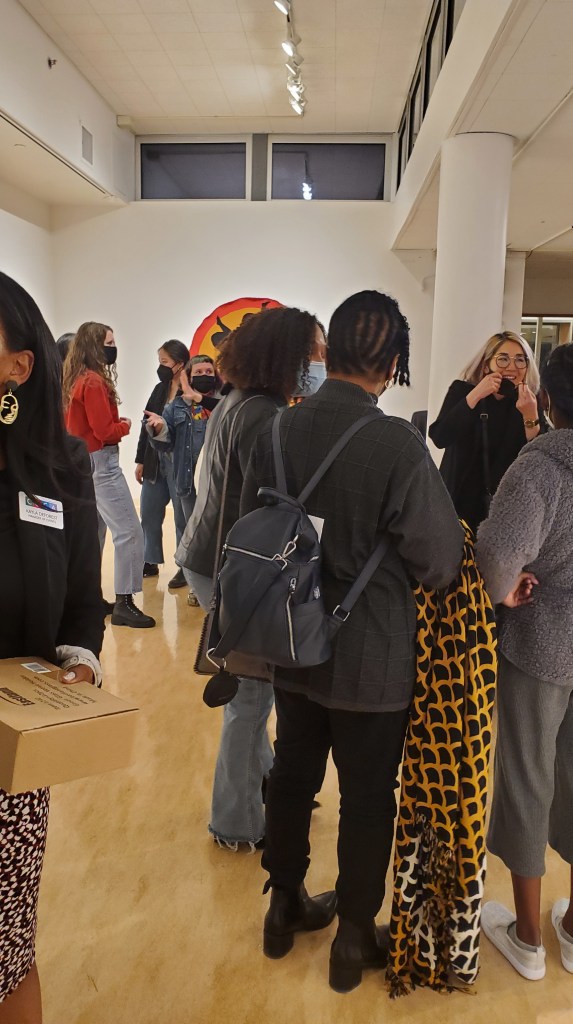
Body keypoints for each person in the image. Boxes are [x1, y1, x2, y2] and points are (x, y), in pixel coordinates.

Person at [240, 290, 464, 992]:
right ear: (392, 365)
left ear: (327, 352)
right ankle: (353, 941)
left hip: (288, 638)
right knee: (367, 797)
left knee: (292, 773)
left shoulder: (275, 429)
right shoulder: (397, 444)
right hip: (372, 657)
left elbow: (250, 531)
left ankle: (282, 906)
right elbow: (439, 562)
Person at [177, 307, 326, 850]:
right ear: (288, 356)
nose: (321, 362)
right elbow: (258, 515)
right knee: (250, 700)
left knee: (252, 693)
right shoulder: (266, 416)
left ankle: (263, 782)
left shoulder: (239, 401)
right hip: (230, 566)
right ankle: (235, 823)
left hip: (205, 555)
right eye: (315, 352)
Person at [0, 272, 105, 1023]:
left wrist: (80, 662)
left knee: (6, 953)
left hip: (11, 755)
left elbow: (80, 602)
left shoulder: (59, 468)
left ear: (18, 365)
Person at [476, 343, 573, 983]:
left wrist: (506, 589)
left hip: (543, 641)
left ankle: (530, 937)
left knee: (528, 775)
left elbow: (495, 557)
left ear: (552, 399)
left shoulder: (540, 467)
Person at [63, 322, 155, 628]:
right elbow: (105, 431)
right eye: (109, 343)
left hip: (83, 462)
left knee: (95, 533)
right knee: (130, 531)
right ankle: (124, 603)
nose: (113, 348)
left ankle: (88, 597)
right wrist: (126, 425)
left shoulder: (75, 378)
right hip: (102, 463)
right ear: (93, 345)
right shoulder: (93, 382)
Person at [428, 331, 543, 532]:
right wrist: (475, 395)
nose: (512, 367)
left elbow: (539, 459)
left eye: (520, 360)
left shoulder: (529, 401)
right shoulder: (462, 391)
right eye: (503, 359)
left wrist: (530, 416)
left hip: (505, 507)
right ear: (486, 364)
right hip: (457, 502)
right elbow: (440, 437)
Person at [145, 353, 221, 606]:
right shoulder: (176, 407)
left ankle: (220, 586)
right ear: (188, 376)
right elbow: (165, 443)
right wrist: (158, 428)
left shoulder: (224, 403)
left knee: (218, 535)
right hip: (187, 485)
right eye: (198, 372)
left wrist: (199, 399)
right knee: (192, 533)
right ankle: (197, 586)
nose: (204, 376)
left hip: (218, 485)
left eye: (208, 372)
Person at [135, 339, 189, 588]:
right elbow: (145, 424)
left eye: (164, 362)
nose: (161, 367)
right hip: (155, 461)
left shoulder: (191, 391)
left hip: (179, 462)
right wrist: (140, 460)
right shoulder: (159, 389)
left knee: (182, 518)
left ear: (180, 364)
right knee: (149, 512)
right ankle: (150, 559)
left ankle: (184, 566)